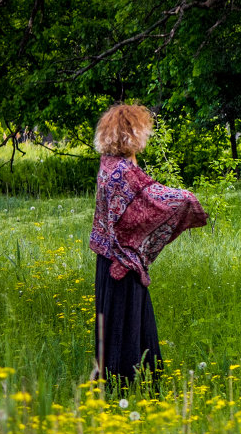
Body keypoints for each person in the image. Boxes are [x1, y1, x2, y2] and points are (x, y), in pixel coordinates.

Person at [88, 104, 207, 387]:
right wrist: (187, 199)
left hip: (107, 262)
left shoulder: (107, 165)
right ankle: (128, 389)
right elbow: (153, 199)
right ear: (133, 134)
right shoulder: (125, 173)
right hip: (123, 264)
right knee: (127, 329)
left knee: (119, 327)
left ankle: (124, 386)